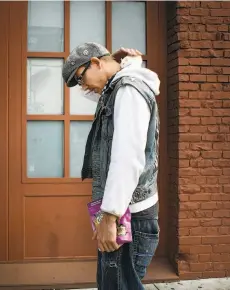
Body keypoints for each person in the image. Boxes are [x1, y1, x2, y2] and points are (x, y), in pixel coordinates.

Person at [62, 43, 160, 289]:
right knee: (113, 283)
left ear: (95, 63)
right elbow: (98, 90)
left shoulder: (128, 90)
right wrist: (122, 65)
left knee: (118, 284)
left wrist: (110, 216)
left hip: (128, 213)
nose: (83, 87)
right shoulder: (118, 87)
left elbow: (127, 156)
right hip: (124, 209)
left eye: (80, 79)